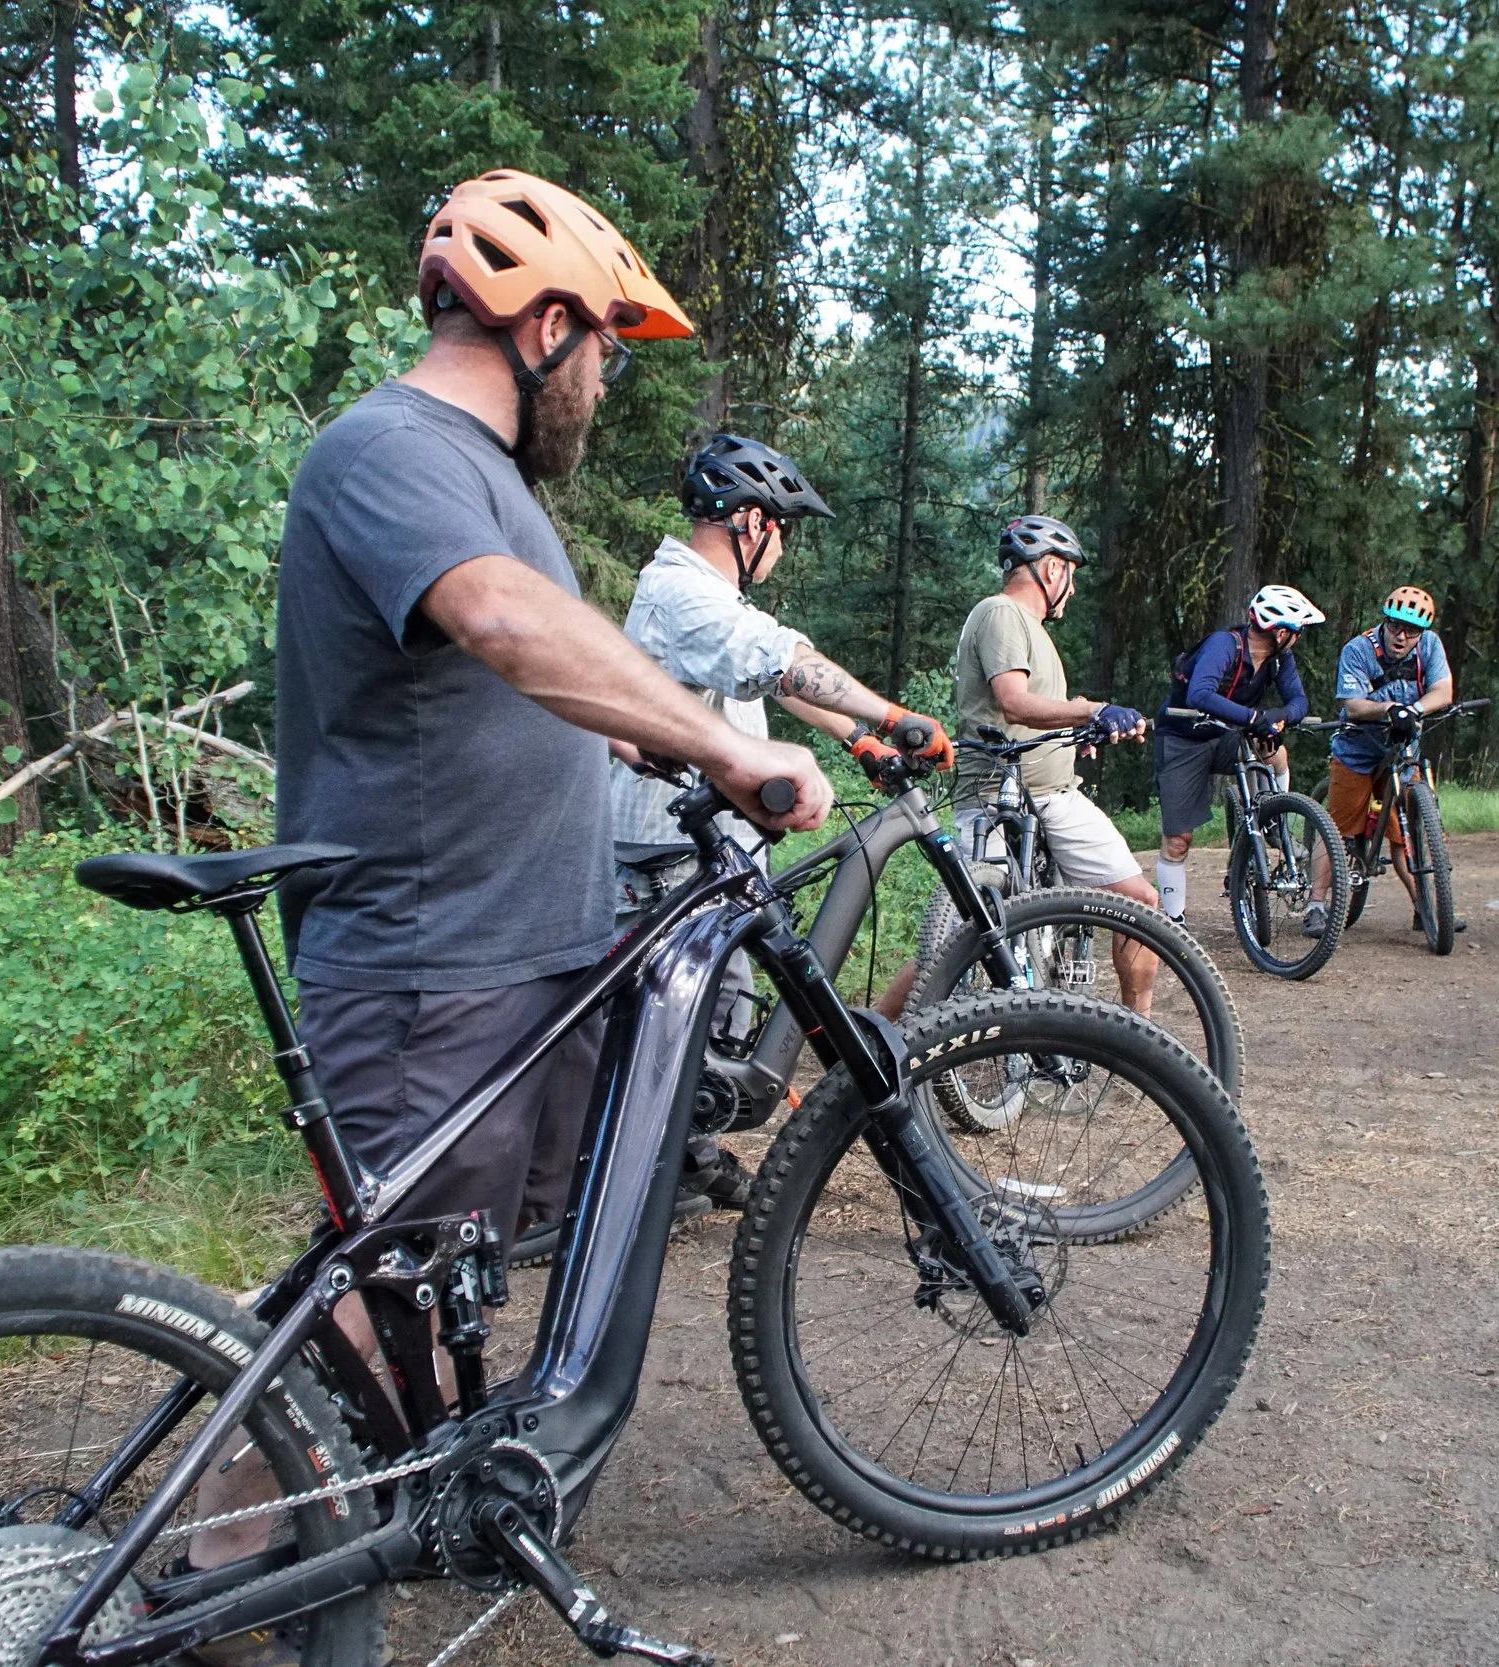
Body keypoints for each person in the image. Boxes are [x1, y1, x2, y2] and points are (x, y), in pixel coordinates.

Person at [198, 169, 831, 1616]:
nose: (602, 382)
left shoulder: (488, 485)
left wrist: (648, 734)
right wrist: (731, 743)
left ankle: (351, 1520)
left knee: (441, 1274)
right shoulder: (390, 446)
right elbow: (497, 620)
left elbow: (526, 676)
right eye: (604, 346)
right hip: (435, 964)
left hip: (520, 957)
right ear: (544, 327)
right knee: (377, 1289)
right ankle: (199, 1581)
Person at [609, 433, 952, 1210]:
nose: (783, 548)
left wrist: (856, 736)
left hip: (702, 846)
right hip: (671, 853)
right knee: (689, 1025)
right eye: (783, 530)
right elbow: (781, 659)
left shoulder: (705, 595)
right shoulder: (683, 591)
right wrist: (891, 714)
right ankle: (650, 1174)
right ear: (753, 522)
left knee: (717, 1012)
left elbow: (773, 677)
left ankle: (684, 1157)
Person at [951, 515, 1160, 1008]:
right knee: (962, 935)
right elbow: (1013, 703)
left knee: (1140, 900)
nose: (1074, 587)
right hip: (996, 799)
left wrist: (1073, 735)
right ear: (1050, 569)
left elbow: (1033, 715)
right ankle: (877, 1030)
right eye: (1072, 572)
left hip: (1053, 795)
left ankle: (1138, 1032)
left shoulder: (1030, 628)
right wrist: (1092, 710)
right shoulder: (1002, 613)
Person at [1152, 584, 1323, 924]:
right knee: (1178, 840)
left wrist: (1278, 718)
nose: (1298, 638)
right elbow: (1200, 694)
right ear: (1280, 632)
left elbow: (1299, 702)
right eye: (1298, 631)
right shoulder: (1224, 645)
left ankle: (1274, 820)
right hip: (1184, 738)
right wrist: (1255, 718)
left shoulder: (1279, 658)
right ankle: (1173, 922)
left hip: (1229, 734)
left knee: (1275, 754)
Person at [1310, 584, 1457, 933]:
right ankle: (1315, 905)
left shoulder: (1430, 646)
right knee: (1336, 829)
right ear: (1385, 623)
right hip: (1357, 751)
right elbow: (1353, 704)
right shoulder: (1359, 649)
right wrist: (1389, 708)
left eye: (1411, 631)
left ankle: (1426, 908)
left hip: (1402, 752)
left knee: (1408, 833)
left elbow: (1444, 690)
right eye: (1395, 626)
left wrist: (1414, 710)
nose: (1401, 636)